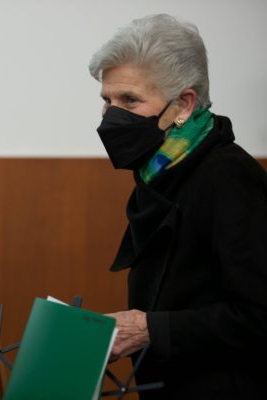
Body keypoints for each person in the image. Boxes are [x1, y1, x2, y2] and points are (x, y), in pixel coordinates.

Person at [88, 14, 267, 399]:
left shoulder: (228, 176)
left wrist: (150, 328)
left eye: (129, 100)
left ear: (184, 104)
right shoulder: (159, 172)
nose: (110, 116)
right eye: (107, 100)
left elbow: (258, 315)